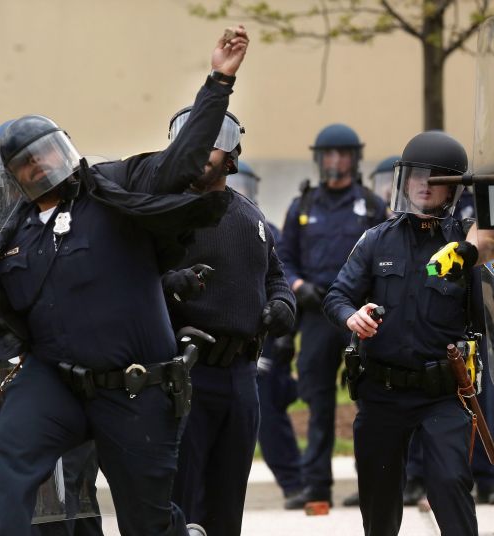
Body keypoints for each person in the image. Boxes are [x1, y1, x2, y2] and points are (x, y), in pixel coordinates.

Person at [0, 26, 250, 536]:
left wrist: (218, 82)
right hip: (54, 380)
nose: (43, 166)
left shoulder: (115, 192)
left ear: (66, 149)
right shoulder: (15, 238)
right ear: (14, 176)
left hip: (135, 386)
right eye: (28, 163)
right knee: (8, 477)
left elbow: (179, 164)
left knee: (148, 522)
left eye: (48, 152)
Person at [323, 130, 478, 535]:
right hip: (383, 391)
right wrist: (349, 316)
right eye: (417, 176)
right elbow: (337, 295)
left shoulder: (467, 246)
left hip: (442, 393)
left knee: (449, 482)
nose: (425, 185)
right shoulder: (376, 240)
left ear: (452, 190)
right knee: (378, 497)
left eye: (437, 178)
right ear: (404, 181)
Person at [163, 112, 295, 535]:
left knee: (226, 502)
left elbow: (275, 275)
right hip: (186, 373)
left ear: (233, 157)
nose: (200, 150)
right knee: (180, 501)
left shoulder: (250, 216)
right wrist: (172, 284)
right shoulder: (162, 212)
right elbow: (132, 278)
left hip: (242, 378)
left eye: (211, 142)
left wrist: (282, 302)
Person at [279, 123, 388, 509]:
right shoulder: (303, 206)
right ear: (318, 159)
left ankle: (371, 485)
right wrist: (297, 286)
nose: (336, 162)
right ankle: (316, 487)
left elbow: (386, 258)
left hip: (358, 316)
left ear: (355, 158)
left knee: (368, 403)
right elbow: (282, 258)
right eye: (329, 154)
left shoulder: (373, 207)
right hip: (315, 315)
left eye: (343, 154)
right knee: (318, 401)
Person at [228, 161, 304, 503]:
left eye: (244, 183)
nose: (238, 189)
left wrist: (287, 335)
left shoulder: (264, 227)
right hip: (222, 338)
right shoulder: (199, 223)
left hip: (266, 338)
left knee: (271, 411)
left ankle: (293, 483)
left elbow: (281, 283)